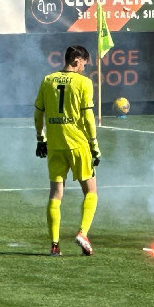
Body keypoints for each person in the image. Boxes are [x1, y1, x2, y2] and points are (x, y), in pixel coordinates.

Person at [34, 45, 101, 257]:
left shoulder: (48, 80)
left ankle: (54, 245)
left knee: (55, 194)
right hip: (78, 143)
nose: (84, 68)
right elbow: (88, 118)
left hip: (55, 144)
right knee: (91, 191)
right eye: (84, 64)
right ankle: (83, 233)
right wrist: (94, 145)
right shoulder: (84, 83)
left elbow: (38, 114)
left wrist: (40, 138)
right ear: (76, 60)